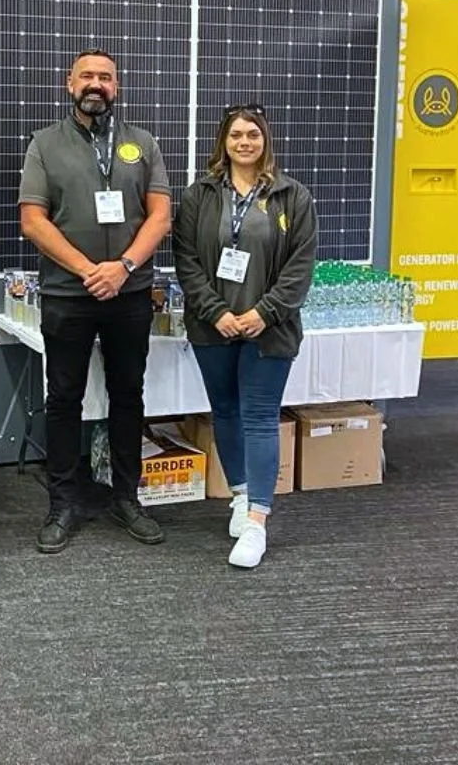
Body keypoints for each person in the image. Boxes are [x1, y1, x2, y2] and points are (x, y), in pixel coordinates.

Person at [18, 49, 173, 554]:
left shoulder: (142, 144)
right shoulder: (44, 144)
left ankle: (127, 497)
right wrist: (89, 270)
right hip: (69, 295)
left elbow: (160, 217)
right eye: (87, 75)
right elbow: (33, 221)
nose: (96, 84)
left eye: (106, 77)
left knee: (129, 395)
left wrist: (122, 267)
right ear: (69, 84)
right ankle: (63, 503)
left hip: (128, 294)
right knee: (63, 399)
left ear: (117, 88)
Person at [173, 104, 317, 569]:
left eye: (252, 134)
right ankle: (239, 493)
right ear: (224, 141)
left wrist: (264, 312)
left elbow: (300, 268)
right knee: (225, 412)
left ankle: (257, 521)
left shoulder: (293, 197)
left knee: (258, 417)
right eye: (235, 134)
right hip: (213, 327)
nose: (244, 142)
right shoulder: (199, 195)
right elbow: (187, 262)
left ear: (265, 140)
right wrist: (216, 312)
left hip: (268, 331)